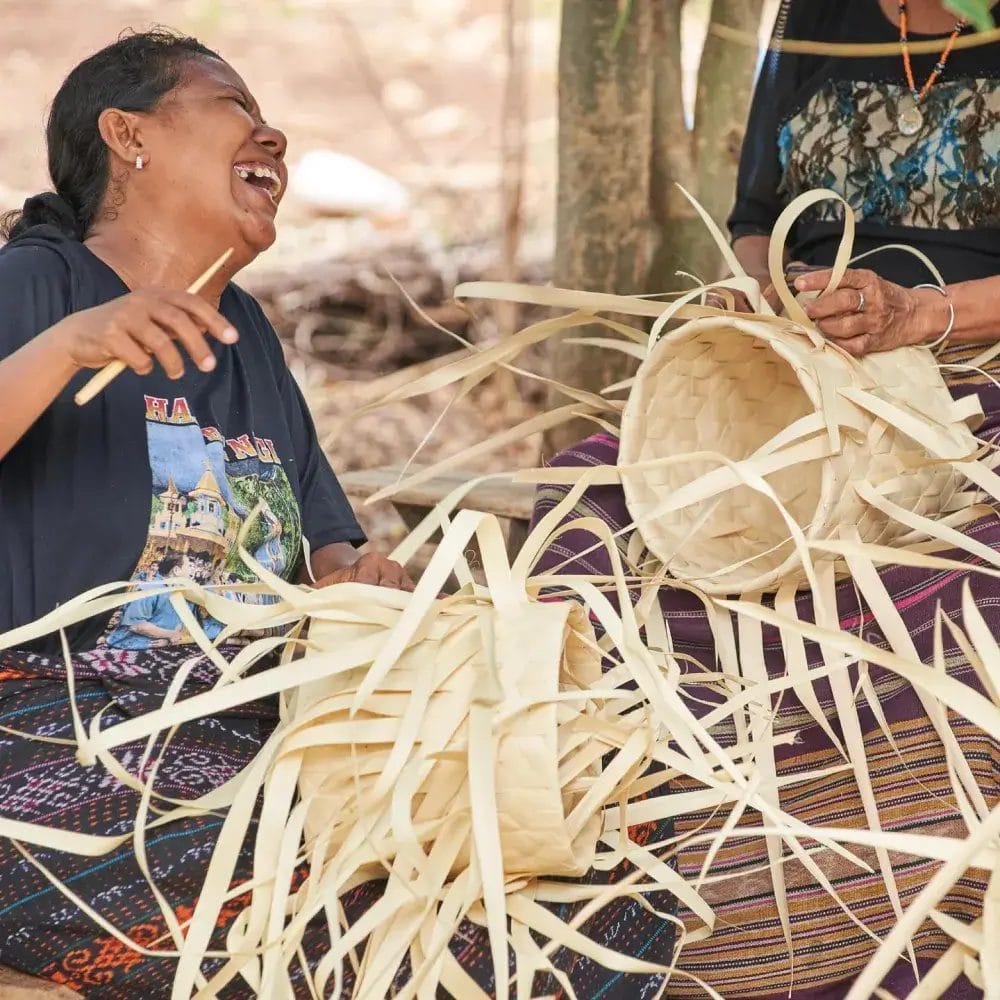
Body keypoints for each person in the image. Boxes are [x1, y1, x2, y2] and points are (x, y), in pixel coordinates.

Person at [531, 1, 1000, 996]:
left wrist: (927, 315)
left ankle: (902, 912)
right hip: (807, 362)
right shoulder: (818, 12)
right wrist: (768, 292)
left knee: (962, 585)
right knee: (585, 509)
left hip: (972, 368)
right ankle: (638, 875)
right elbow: (755, 219)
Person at [0, 29, 429, 998]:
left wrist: (362, 581)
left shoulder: (246, 342)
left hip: (240, 738)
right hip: (51, 738)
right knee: (294, 920)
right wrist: (66, 347)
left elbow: (330, 550)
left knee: (501, 881)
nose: (270, 133)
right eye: (233, 104)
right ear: (128, 134)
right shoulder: (35, 288)